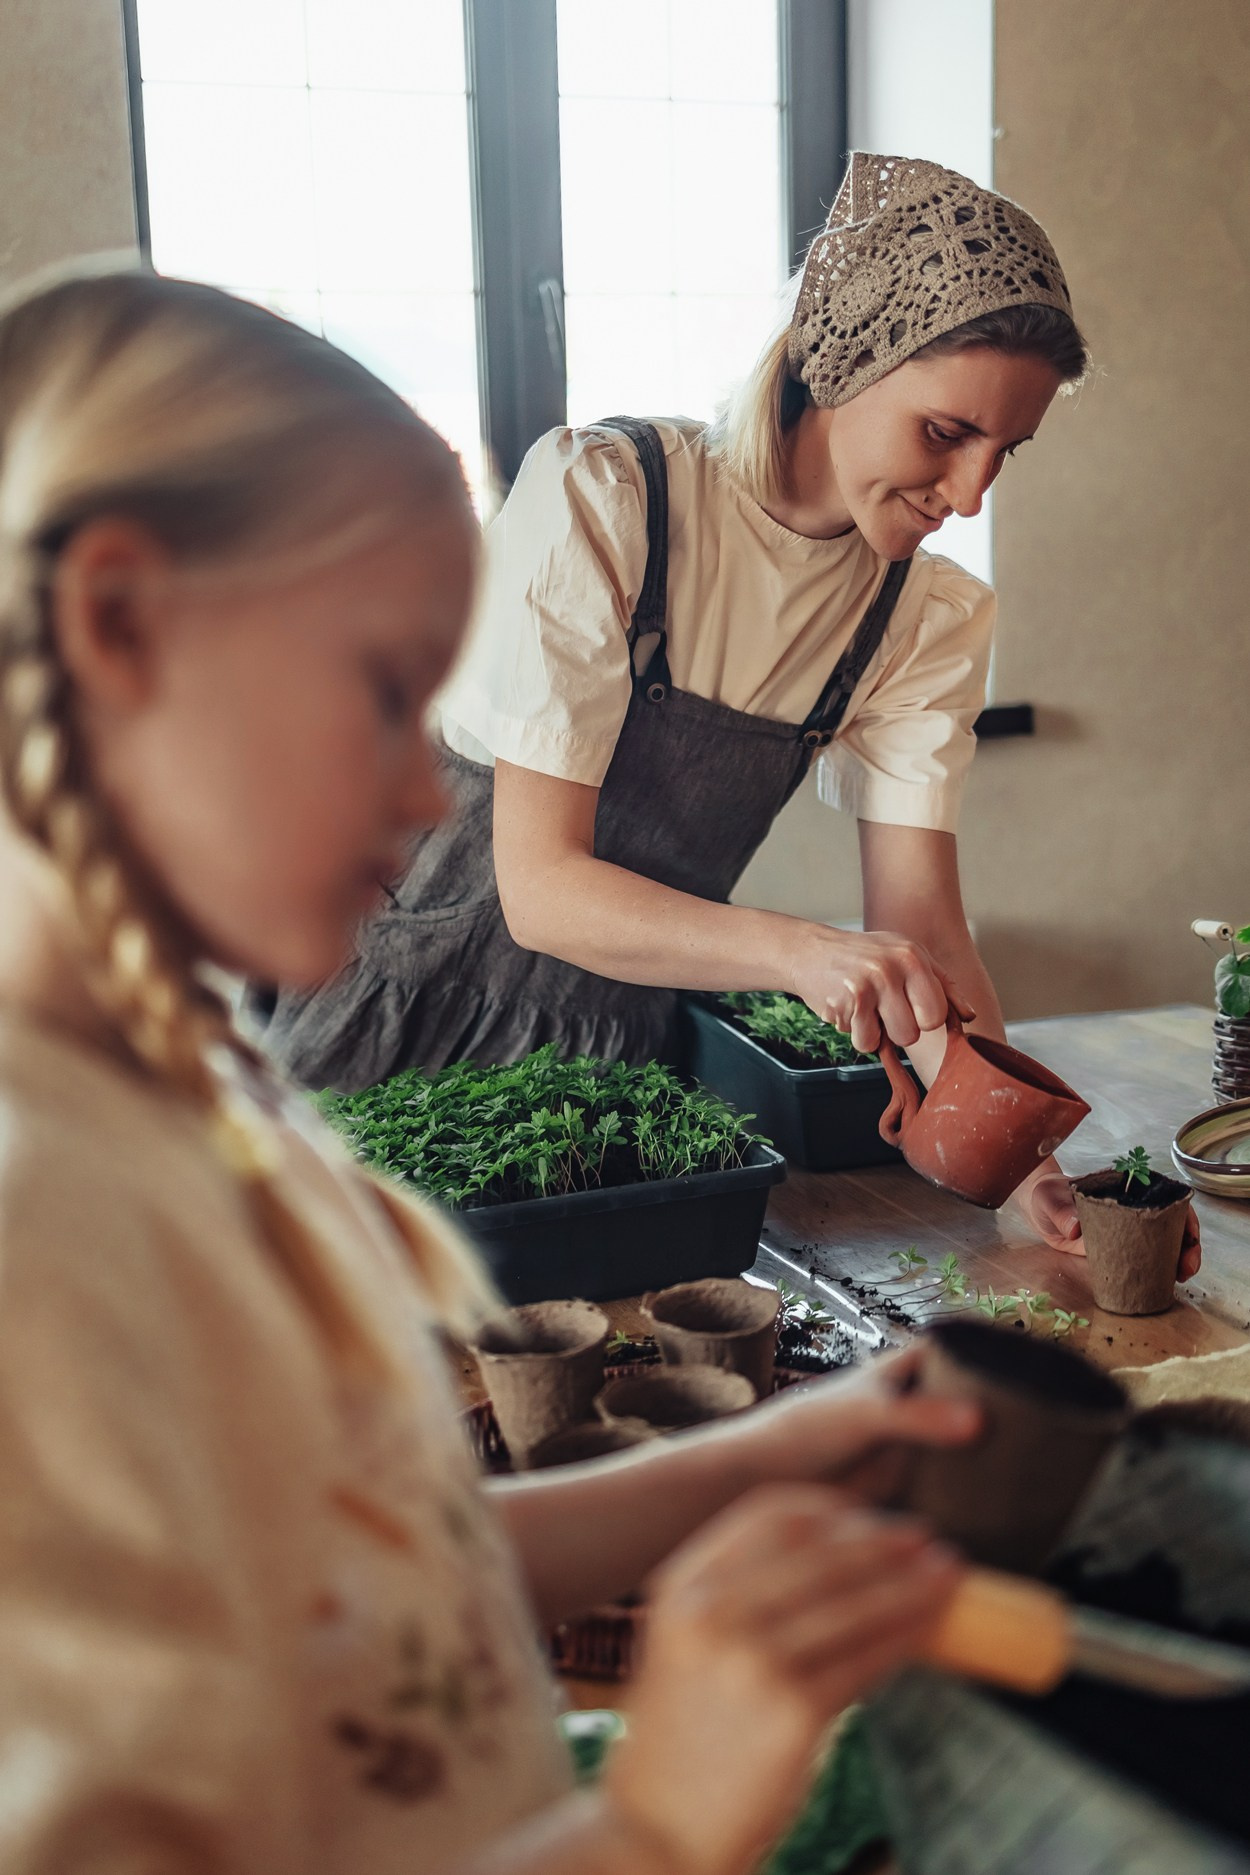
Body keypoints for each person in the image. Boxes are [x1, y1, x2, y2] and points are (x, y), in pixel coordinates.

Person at [0, 264, 979, 1875]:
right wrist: (657, 1822)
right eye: (389, 692)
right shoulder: (45, 1225)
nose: (423, 795)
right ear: (116, 622)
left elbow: (376, 1580)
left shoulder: (215, 1109)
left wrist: (771, 1449)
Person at [258, 151, 1196, 1274]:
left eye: (1007, 450)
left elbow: (925, 929)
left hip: (616, 1050)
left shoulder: (923, 617)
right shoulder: (604, 501)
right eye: (945, 434)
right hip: (398, 1012)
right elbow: (542, 889)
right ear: (835, 363)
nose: (971, 495)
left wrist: (1015, 1169)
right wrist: (803, 954)